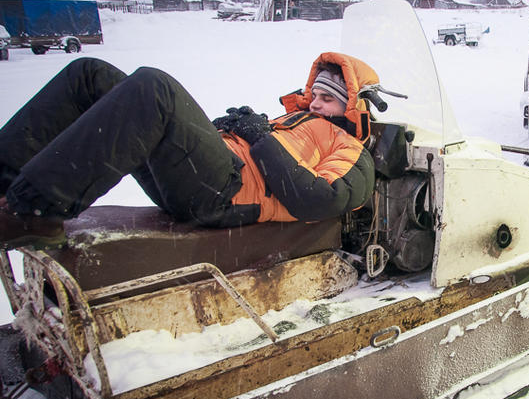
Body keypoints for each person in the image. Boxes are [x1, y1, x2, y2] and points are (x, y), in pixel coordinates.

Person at [0, 52, 377, 250]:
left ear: (351, 107)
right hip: (209, 176)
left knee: (154, 87)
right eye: (315, 94)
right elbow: (260, 148)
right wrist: (225, 130)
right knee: (90, 75)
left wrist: (260, 137)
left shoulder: (351, 151)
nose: (314, 103)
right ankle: (5, 186)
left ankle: (35, 211)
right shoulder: (293, 121)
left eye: (327, 99)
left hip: (226, 193)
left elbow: (317, 200)